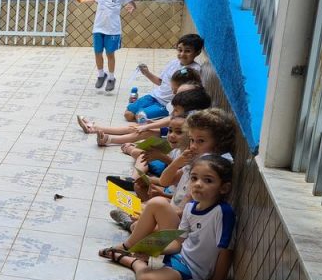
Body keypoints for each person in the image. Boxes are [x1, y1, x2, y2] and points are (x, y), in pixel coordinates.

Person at [99, 154, 234, 280]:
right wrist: (154, 250)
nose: (198, 184)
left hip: (193, 269)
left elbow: (226, 252)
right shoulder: (189, 208)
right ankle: (129, 246)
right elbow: (178, 242)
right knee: (157, 202)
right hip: (179, 254)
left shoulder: (223, 213)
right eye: (194, 178)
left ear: (224, 188)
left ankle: (134, 262)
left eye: (208, 180)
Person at [100, 108, 236, 252]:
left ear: (218, 144)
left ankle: (128, 243)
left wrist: (147, 210)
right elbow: (165, 181)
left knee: (145, 216)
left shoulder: (207, 169)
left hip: (184, 226)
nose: (194, 146)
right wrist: (178, 162)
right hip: (175, 213)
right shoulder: (197, 161)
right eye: (192, 140)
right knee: (145, 206)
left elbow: (184, 210)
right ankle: (135, 224)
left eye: (200, 141)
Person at [80, 0, 135, 91]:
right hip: (98, 27)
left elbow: (130, 2)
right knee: (97, 52)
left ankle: (111, 78)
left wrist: (131, 7)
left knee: (110, 54)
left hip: (113, 30)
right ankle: (101, 75)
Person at [124, 34, 204, 121]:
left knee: (139, 117)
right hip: (153, 96)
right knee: (128, 114)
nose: (182, 54)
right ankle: (142, 108)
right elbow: (160, 82)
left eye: (187, 51)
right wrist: (146, 73)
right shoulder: (173, 63)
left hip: (165, 104)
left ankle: (153, 112)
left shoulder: (195, 70)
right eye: (180, 50)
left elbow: (191, 95)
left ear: (197, 52)